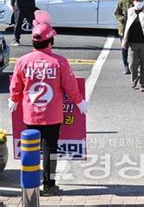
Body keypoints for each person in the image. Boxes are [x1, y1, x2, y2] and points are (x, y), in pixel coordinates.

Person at [8, 10, 88, 196]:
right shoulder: (59, 62)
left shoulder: (22, 61)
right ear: (50, 42)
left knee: (31, 149)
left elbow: (16, 86)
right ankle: (49, 185)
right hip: (52, 115)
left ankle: (30, 185)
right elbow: (70, 86)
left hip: (31, 114)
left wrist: (13, 100)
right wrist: (80, 102)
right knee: (50, 151)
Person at [115, 0, 135, 75]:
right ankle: (125, 65)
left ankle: (136, 64)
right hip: (123, 28)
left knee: (135, 47)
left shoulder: (135, 1)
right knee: (124, 47)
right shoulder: (121, 2)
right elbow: (116, 13)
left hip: (134, 28)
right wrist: (122, 18)